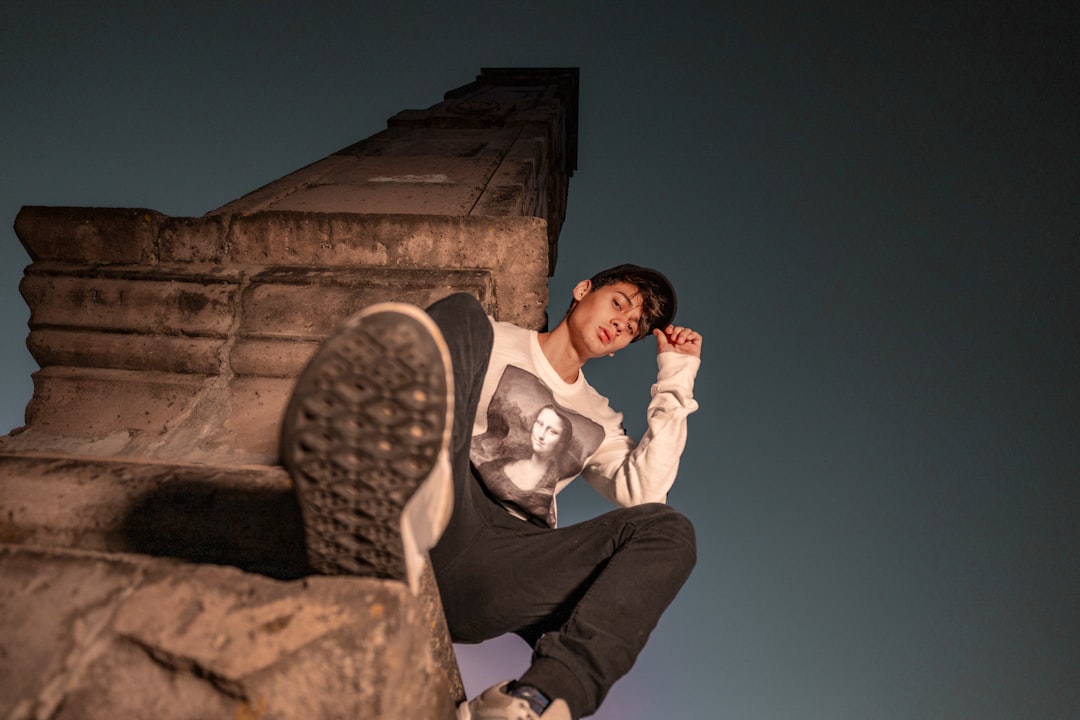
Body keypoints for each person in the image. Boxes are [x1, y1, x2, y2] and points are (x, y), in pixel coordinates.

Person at [281, 264, 702, 720]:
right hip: (447, 502)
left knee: (669, 529)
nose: (621, 323)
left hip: (508, 565)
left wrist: (677, 375)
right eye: (619, 304)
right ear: (583, 290)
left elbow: (645, 491)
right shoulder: (490, 339)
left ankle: (538, 701)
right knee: (461, 314)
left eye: (632, 328)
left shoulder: (601, 419)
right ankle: (397, 502)